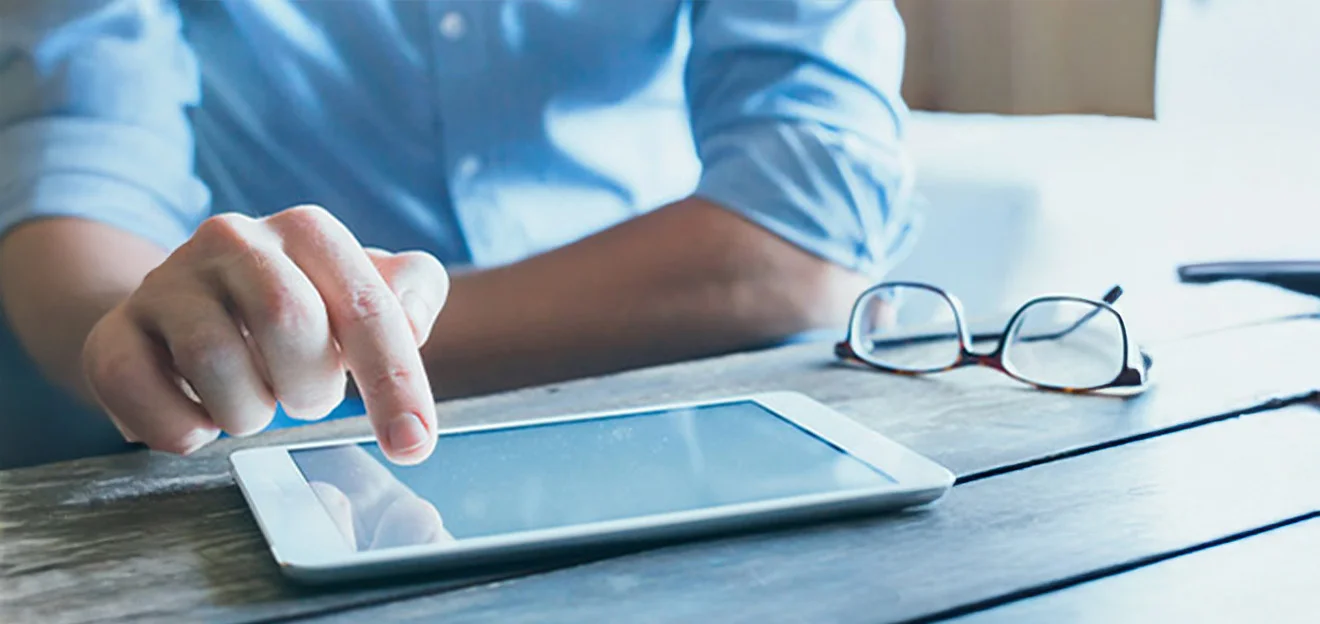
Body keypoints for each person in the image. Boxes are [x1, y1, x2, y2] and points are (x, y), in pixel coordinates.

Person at [0, 0, 917, 469]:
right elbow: (78, 166)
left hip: (683, 419)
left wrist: (331, 338)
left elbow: (805, 231)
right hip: (255, 466)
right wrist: (155, 333)